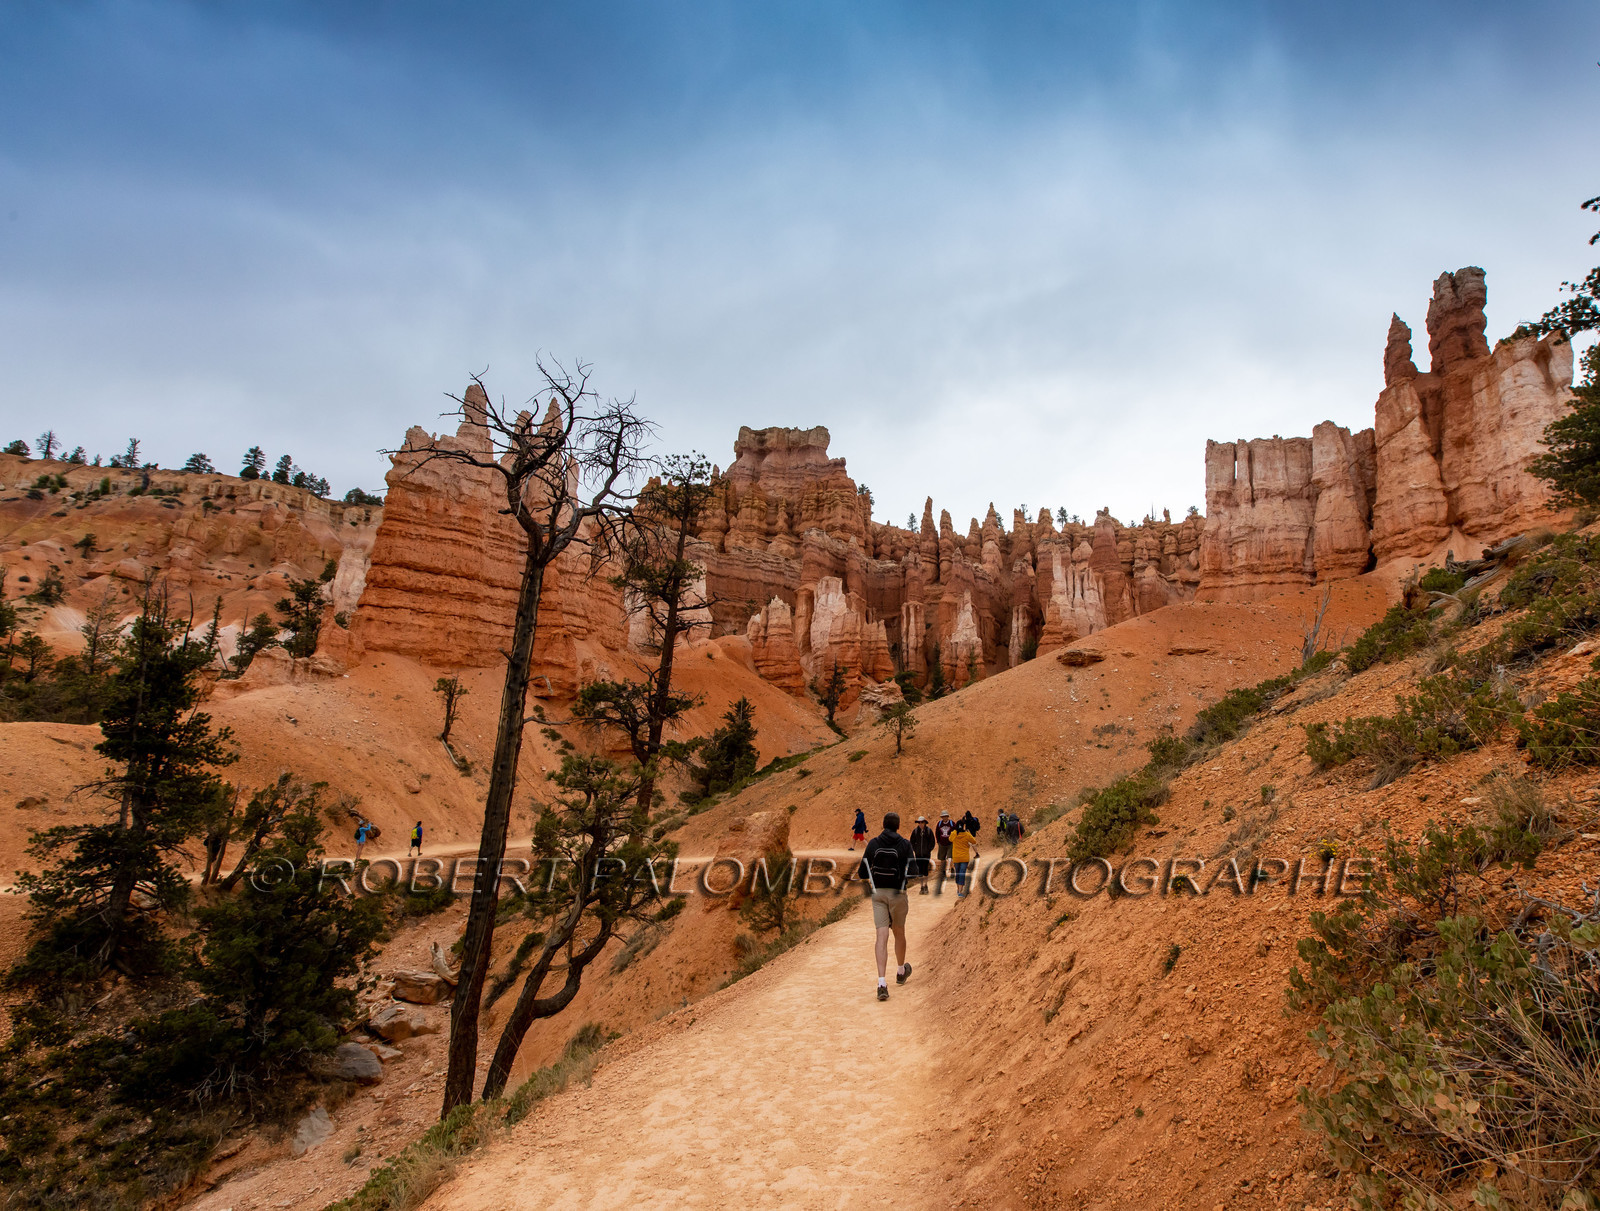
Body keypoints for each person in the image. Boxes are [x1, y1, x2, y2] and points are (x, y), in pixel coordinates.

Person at [859, 812, 915, 1000]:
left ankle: (881, 983)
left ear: (883, 825)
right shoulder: (905, 844)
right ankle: (900, 971)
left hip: (879, 894)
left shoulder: (874, 844)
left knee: (881, 936)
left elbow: (862, 872)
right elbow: (914, 871)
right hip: (897, 893)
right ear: (898, 826)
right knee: (899, 932)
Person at [949, 815, 979, 899]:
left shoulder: (954, 834)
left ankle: (958, 889)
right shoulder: (966, 834)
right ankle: (960, 891)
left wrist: (955, 831)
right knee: (962, 873)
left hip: (956, 857)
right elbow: (974, 841)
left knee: (958, 873)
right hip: (964, 858)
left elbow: (950, 839)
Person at [908, 815, 935, 894]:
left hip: (926, 855)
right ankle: (921, 887)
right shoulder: (915, 831)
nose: (920, 824)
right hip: (918, 854)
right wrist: (915, 850)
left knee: (925, 870)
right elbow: (911, 842)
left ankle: (926, 886)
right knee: (920, 871)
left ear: (925, 823)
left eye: (922, 822)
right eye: (919, 822)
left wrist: (928, 850)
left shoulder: (929, 831)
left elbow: (932, 842)